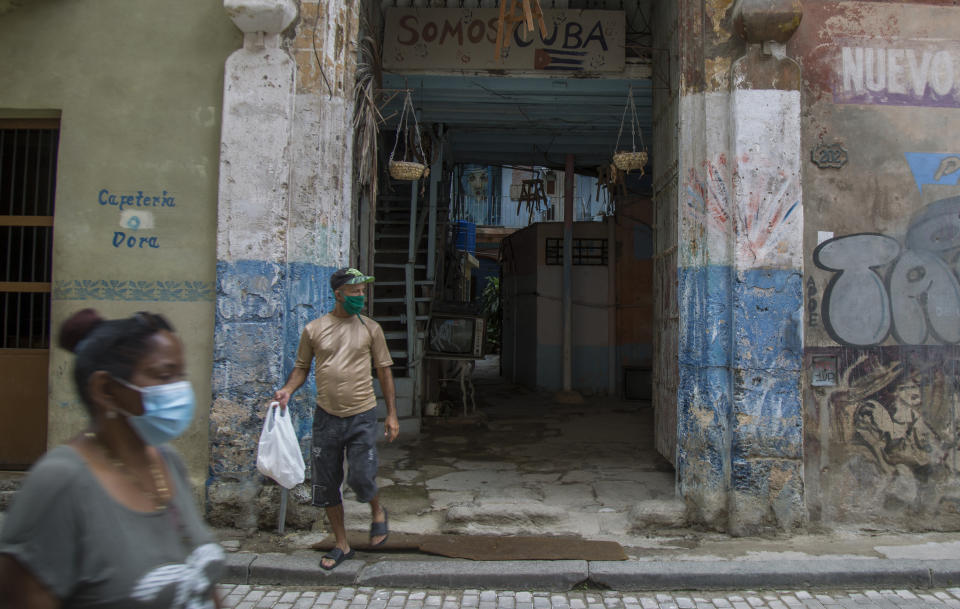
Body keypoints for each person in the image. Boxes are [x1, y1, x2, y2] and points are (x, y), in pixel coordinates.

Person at [0, 309, 225, 609]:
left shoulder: (167, 462)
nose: (180, 389)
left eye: (180, 375)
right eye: (164, 375)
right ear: (105, 389)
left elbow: (201, 586)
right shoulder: (60, 483)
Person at [273, 267, 399, 571]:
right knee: (326, 484)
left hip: (362, 414)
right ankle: (342, 544)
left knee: (360, 476)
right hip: (326, 417)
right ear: (338, 293)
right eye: (354, 291)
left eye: (362, 291)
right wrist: (288, 390)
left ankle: (377, 511)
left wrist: (392, 414)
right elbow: (302, 367)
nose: (360, 296)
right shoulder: (314, 329)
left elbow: (384, 370)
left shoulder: (371, 329)